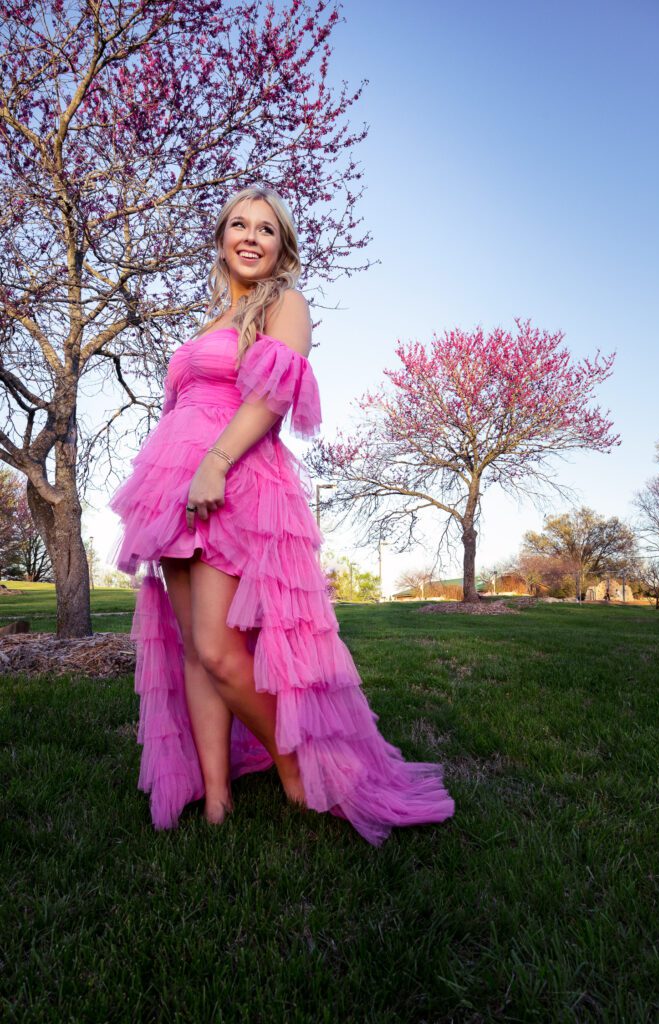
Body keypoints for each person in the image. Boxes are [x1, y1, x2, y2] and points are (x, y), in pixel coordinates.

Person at [108, 185, 455, 846]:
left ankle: (298, 766)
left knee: (219, 647)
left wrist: (213, 463)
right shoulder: (211, 319)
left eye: (264, 229)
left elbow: (272, 392)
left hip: (232, 477)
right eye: (237, 225)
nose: (248, 236)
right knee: (194, 653)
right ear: (220, 240)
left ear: (280, 247)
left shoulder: (285, 304)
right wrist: (173, 474)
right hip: (171, 486)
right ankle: (216, 799)